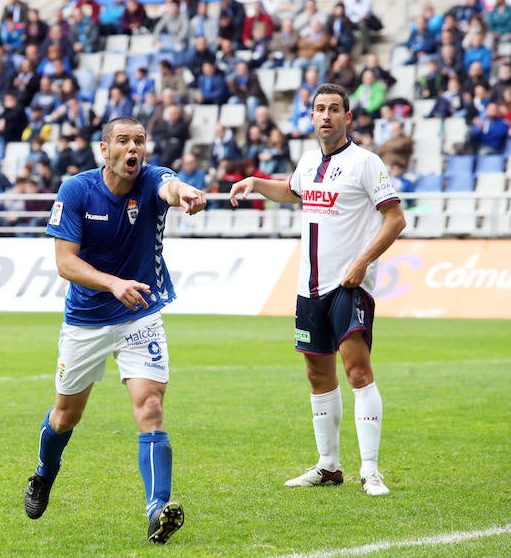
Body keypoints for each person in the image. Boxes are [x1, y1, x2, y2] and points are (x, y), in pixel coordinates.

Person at [23, 116, 206, 544]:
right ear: (104, 150)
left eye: (139, 141)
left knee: (151, 408)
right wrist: (112, 283)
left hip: (140, 314)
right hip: (86, 320)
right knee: (66, 416)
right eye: (122, 141)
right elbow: (65, 263)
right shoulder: (76, 190)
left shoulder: (152, 180)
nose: (133, 149)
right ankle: (44, 474)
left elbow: (171, 187)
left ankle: (157, 508)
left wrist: (187, 195)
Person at [229, 84, 406, 496]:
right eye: (318, 109)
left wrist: (362, 264)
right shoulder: (308, 162)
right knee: (316, 374)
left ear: (348, 117)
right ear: (311, 117)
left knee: (357, 371)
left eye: (333, 109)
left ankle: (370, 470)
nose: (325, 115)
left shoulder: (366, 163)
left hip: (348, 286)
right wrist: (255, 182)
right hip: (308, 289)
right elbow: (293, 194)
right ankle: (329, 467)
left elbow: (395, 219)